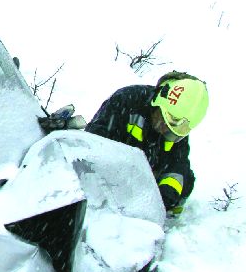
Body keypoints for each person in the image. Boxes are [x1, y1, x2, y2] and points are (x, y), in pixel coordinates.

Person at [83, 71, 210, 215]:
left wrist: (166, 193)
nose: (163, 130)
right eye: (162, 120)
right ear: (158, 102)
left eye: (171, 132)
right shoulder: (126, 100)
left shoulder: (177, 124)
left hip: (141, 189)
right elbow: (93, 143)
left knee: (186, 182)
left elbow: (178, 165)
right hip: (107, 177)